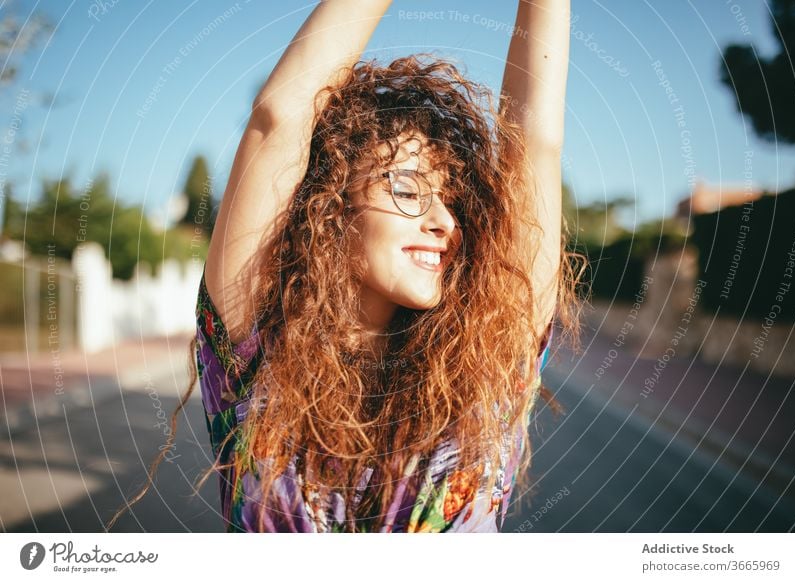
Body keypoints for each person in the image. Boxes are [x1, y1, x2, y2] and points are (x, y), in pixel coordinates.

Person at [108, 0, 584, 533]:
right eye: (406, 189)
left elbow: (533, 146)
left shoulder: (488, 370)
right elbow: (276, 122)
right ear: (331, 207)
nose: (444, 222)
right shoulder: (255, 362)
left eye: (453, 202)